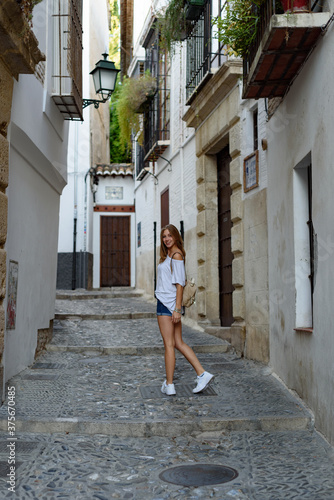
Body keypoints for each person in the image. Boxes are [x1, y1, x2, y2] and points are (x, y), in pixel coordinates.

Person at [155, 224, 214, 396]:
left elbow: (180, 284)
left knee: (169, 345)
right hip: (168, 304)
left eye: (169, 236)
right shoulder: (169, 256)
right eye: (164, 236)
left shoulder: (177, 255)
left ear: (175, 236)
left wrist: (177, 309)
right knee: (178, 343)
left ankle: (170, 384)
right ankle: (202, 374)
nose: (166, 239)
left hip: (167, 305)